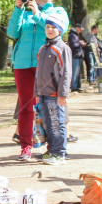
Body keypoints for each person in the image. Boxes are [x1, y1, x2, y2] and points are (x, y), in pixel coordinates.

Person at [6, 0, 69, 161]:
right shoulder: (24, 13)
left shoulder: (58, 12)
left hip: (47, 65)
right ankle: (26, 147)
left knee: (49, 106)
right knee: (26, 106)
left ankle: (54, 148)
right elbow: (12, 32)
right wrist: (18, 10)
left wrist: (37, 13)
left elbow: (59, 28)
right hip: (22, 64)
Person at [34, 15, 72, 165]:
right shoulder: (43, 49)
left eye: (53, 27)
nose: (50, 30)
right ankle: (51, 150)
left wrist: (62, 94)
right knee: (47, 123)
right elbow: (37, 73)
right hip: (43, 94)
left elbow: (66, 73)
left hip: (55, 94)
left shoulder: (62, 48)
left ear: (60, 30)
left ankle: (60, 153)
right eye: (48, 27)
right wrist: (36, 92)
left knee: (57, 123)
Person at [68, 23, 85, 93]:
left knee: (78, 72)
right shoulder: (72, 35)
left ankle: (77, 86)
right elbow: (74, 44)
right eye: (80, 29)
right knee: (75, 72)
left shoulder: (74, 35)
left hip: (78, 55)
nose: (80, 31)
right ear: (77, 28)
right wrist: (80, 44)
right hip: (75, 55)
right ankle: (74, 86)